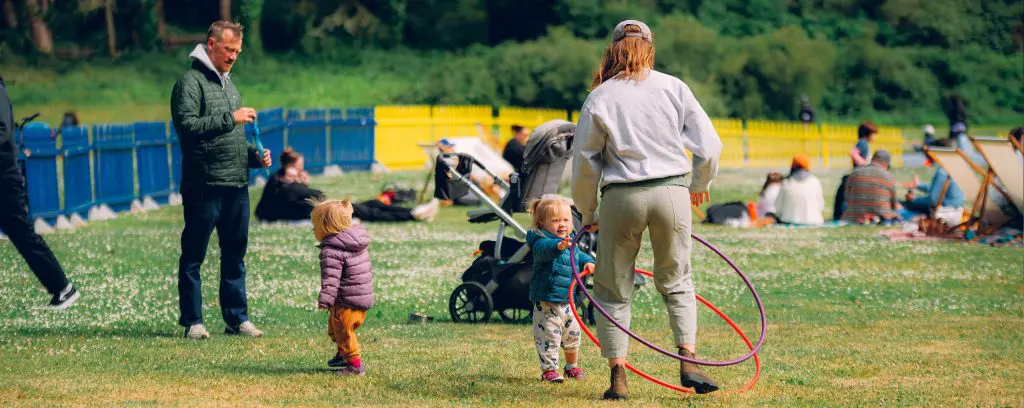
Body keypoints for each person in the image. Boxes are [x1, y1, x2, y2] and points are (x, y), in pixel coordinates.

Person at [572, 20, 723, 399]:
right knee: (677, 280)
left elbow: (585, 163)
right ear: (650, 49)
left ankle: (618, 377)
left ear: (613, 50)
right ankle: (688, 359)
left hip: (621, 196)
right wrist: (699, 185)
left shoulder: (601, 96)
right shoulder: (674, 87)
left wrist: (587, 212)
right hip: (671, 192)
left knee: (613, 287)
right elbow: (710, 146)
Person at [171, 21, 271, 340]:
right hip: (204, 184)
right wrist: (233, 117)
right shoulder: (189, 82)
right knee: (194, 255)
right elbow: (188, 126)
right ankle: (193, 322)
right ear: (211, 44)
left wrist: (254, 157)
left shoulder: (231, 85)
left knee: (234, 255)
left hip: (236, 184)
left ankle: (237, 319)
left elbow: (233, 139)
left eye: (237, 52)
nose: (232, 57)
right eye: (228, 50)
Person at [0, 76, 81, 310]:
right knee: (20, 232)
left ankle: (62, 287)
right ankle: (61, 287)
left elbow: (3, 130)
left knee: (21, 233)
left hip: (4, 177)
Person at [255, 149, 439, 223]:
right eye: (300, 165)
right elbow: (314, 195)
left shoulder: (283, 180)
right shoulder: (283, 184)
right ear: (293, 165)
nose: (302, 168)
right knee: (366, 210)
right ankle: (412, 215)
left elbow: (311, 195)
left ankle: (414, 212)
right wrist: (302, 182)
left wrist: (302, 182)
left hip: (320, 209)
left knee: (371, 204)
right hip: (319, 213)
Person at [525, 194, 594, 383]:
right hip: (547, 300)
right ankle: (549, 370)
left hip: (568, 300)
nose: (562, 224)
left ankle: (572, 366)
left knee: (573, 333)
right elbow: (545, 250)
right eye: (555, 220)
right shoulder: (540, 240)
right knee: (549, 337)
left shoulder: (571, 240)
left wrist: (588, 263)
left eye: (566, 220)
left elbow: (579, 256)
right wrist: (558, 245)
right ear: (541, 222)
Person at [313, 199, 373, 376]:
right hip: (359, 299)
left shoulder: (332, 250)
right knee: (335, 329)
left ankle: (354, 366)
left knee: (344, 333)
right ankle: (342, 354)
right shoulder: (354, 243)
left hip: (345, 301)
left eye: (314, 226)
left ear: (327, 227)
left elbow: (331, 280)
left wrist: (325, 299)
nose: (313, 230)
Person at [833, 121, 878, 220]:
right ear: (868, 133)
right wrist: (865, 165)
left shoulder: (863, 143)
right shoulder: (863, 143)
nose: (875, 137)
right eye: (874, 134)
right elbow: (853, 153)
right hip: (858, 174)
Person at [843, 150, 902, 224]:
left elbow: (847, 197)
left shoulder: (854, 173)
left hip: (854, 217)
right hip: (881, 217)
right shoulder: (889, 176)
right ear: (886, 163)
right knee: (906, 213)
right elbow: (894, 204)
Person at [771, 154, 825, 225]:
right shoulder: (815, 181)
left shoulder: (787, 182)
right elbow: (821, 206)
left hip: (789, 221)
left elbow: (778, 207)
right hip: (814, 221)